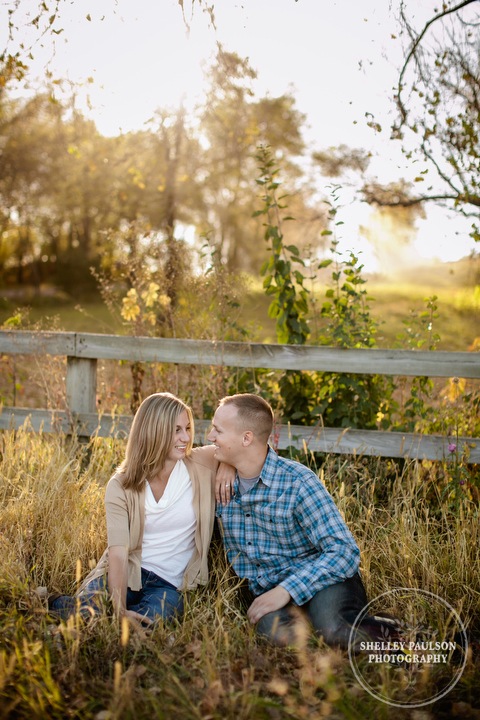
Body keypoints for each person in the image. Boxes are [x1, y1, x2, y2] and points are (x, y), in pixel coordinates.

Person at [209, 393, 398, 649]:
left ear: (246, 438)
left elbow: (344, 551)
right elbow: (179, 455)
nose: (210, 437)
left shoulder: (298, 481)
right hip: (267, 589)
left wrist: (287, 590)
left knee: (335, 630)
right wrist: (225, 463)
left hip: (322, 580)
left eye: (217, 431)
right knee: (281, 639)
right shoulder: (217, 477)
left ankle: (432, 640)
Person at [48, 392, 234, 626]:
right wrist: (118, 608)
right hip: (125, 573)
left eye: (187, 428)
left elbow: (252, 444)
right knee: (94, 617)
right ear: (153, 430)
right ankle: (55, 602)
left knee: (151, 622)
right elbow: (118, 552)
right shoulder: (121, 484)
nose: (186, 437)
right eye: (176, 430)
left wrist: (227, 464)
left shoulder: (200, 463)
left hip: (168, 585)